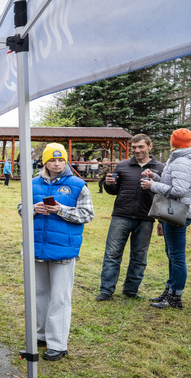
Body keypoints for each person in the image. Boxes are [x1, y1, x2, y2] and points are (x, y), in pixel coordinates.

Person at [18, 143, 94, 360]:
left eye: (61, 160)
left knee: (59, 297)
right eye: (52, 159)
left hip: (63, 250)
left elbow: (87, 214)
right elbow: (21, 209)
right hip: (36, 247)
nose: (57, 163)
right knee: (39, 294)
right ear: (45, 161)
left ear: (66, 161)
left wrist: (61, 210)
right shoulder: (31, 184)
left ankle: (58, 344)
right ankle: (41, 335)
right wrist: (33, 209)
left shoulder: (79, 185)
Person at [95, 134, 164, 302]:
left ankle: (131, 290)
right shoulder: (122, 165)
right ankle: (106, 290)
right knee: (112, 254)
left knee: (139, 257)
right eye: (134, 147)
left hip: (146, 217)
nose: (137, 150)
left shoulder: (160, 168)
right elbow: (114, 190)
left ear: (150, 146)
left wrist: (162, 221)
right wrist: (108, 184)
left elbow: (164, 194)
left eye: (141, 147)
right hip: (121, 215)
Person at [139, 128, 191, 309]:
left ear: (173, 142)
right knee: (171, 254)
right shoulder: (179, 159)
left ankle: (175, 297)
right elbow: (172, 184)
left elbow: (179, 191)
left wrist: (153, 186)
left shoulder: (181, 161)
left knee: (176, 256)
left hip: (177, 212)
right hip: (176, 210)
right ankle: (169, 290)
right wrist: (155, 177)